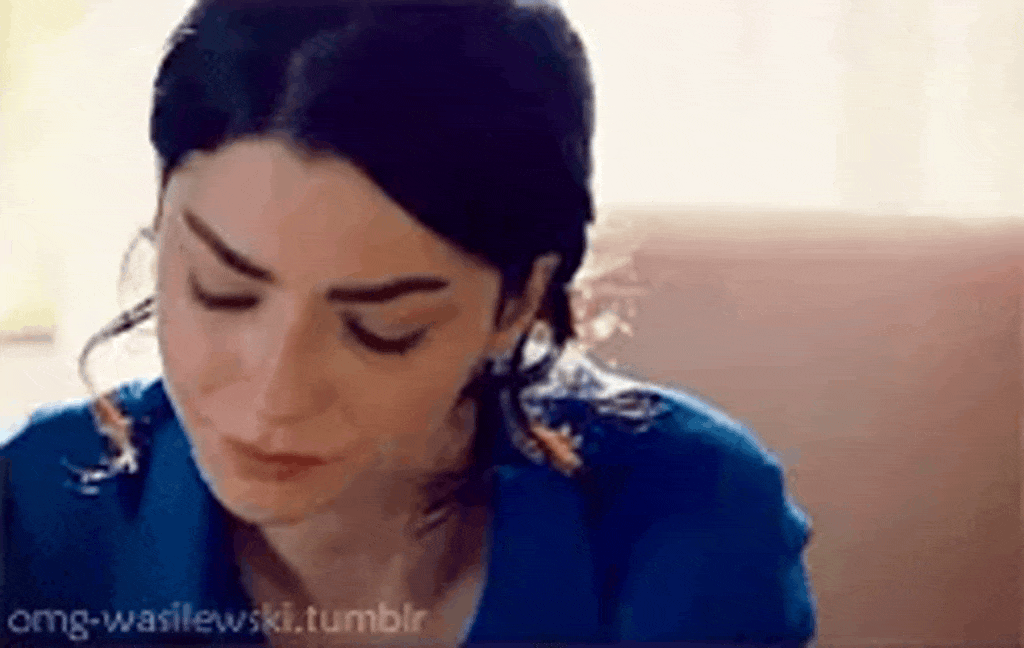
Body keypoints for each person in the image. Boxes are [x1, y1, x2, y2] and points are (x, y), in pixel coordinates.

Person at [0, 0, 817, 646]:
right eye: (221, 292)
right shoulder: (34, 515)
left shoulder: (687, 520)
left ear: (519, 303)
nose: (276, 396)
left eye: (381, 329)